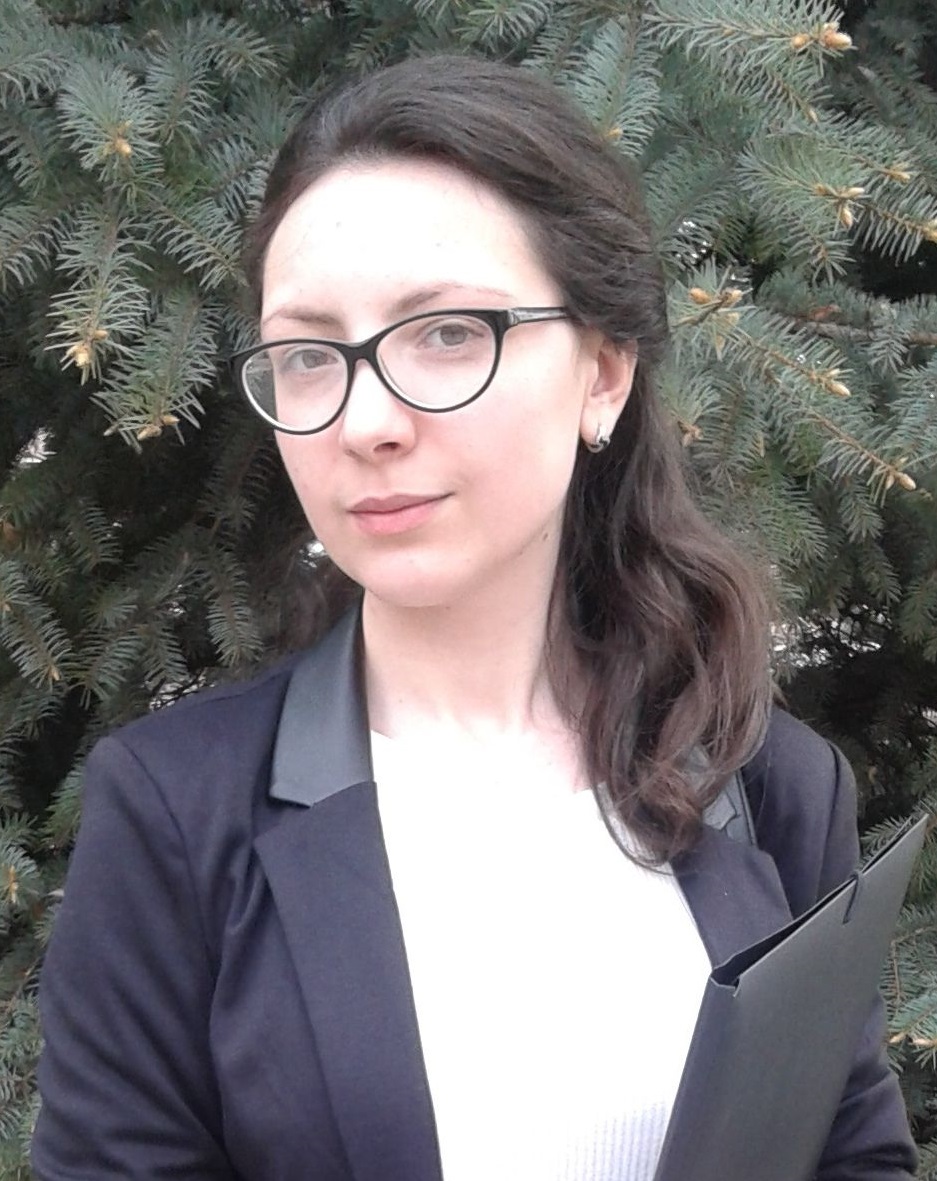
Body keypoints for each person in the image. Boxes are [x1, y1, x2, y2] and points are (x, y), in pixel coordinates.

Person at [32, 53, 916, 1180]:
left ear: (603, 373)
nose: (365, 421)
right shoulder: (175, 813)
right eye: (308, 354)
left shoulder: (766, 784)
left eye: (447, 332)